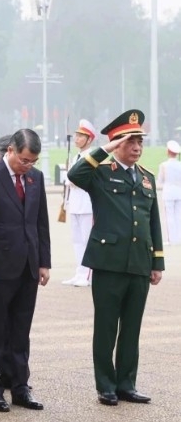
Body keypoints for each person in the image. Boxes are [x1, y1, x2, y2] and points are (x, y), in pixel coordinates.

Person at [66, 109, 164, 407]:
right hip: (108, 263)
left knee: (131, 328)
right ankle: (105, 385)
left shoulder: (146, 178)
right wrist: (105, 148)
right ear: (116, 143)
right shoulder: (100, 173)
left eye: (140, 143)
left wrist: (157, 262)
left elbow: (153, 222)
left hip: (138, 263)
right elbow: (74, 174)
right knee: (107, 327)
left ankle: (126, 383)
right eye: (130, 142)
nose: (136, 148)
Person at [0, 129, 50, 413]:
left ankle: (19, 386)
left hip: (27, 266)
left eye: (33, 161)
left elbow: (40, 222)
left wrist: (44, 262)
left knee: (20, 330)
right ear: (11, 151)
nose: (28, 165)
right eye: (24, 160)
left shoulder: (36, 177)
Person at [62, 119, 97, 286]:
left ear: (89, 139)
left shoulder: (92, 156)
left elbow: (85, 179)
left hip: (87, 204)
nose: (76, 138)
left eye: (80, 136)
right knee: (76, 240)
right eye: (76, 135)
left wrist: (70, 179)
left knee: (87, 240)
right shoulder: (76, 156)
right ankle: (79, 272)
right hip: (76, 203)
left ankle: (88, 275)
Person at [157, 140, 181, 246]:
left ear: (168, 151)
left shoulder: (164, 165)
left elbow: (160, 180)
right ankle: (178, 238)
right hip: (178, 191)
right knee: (178, 215)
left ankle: (172, 239)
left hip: (168, 192)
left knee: (169, 216)